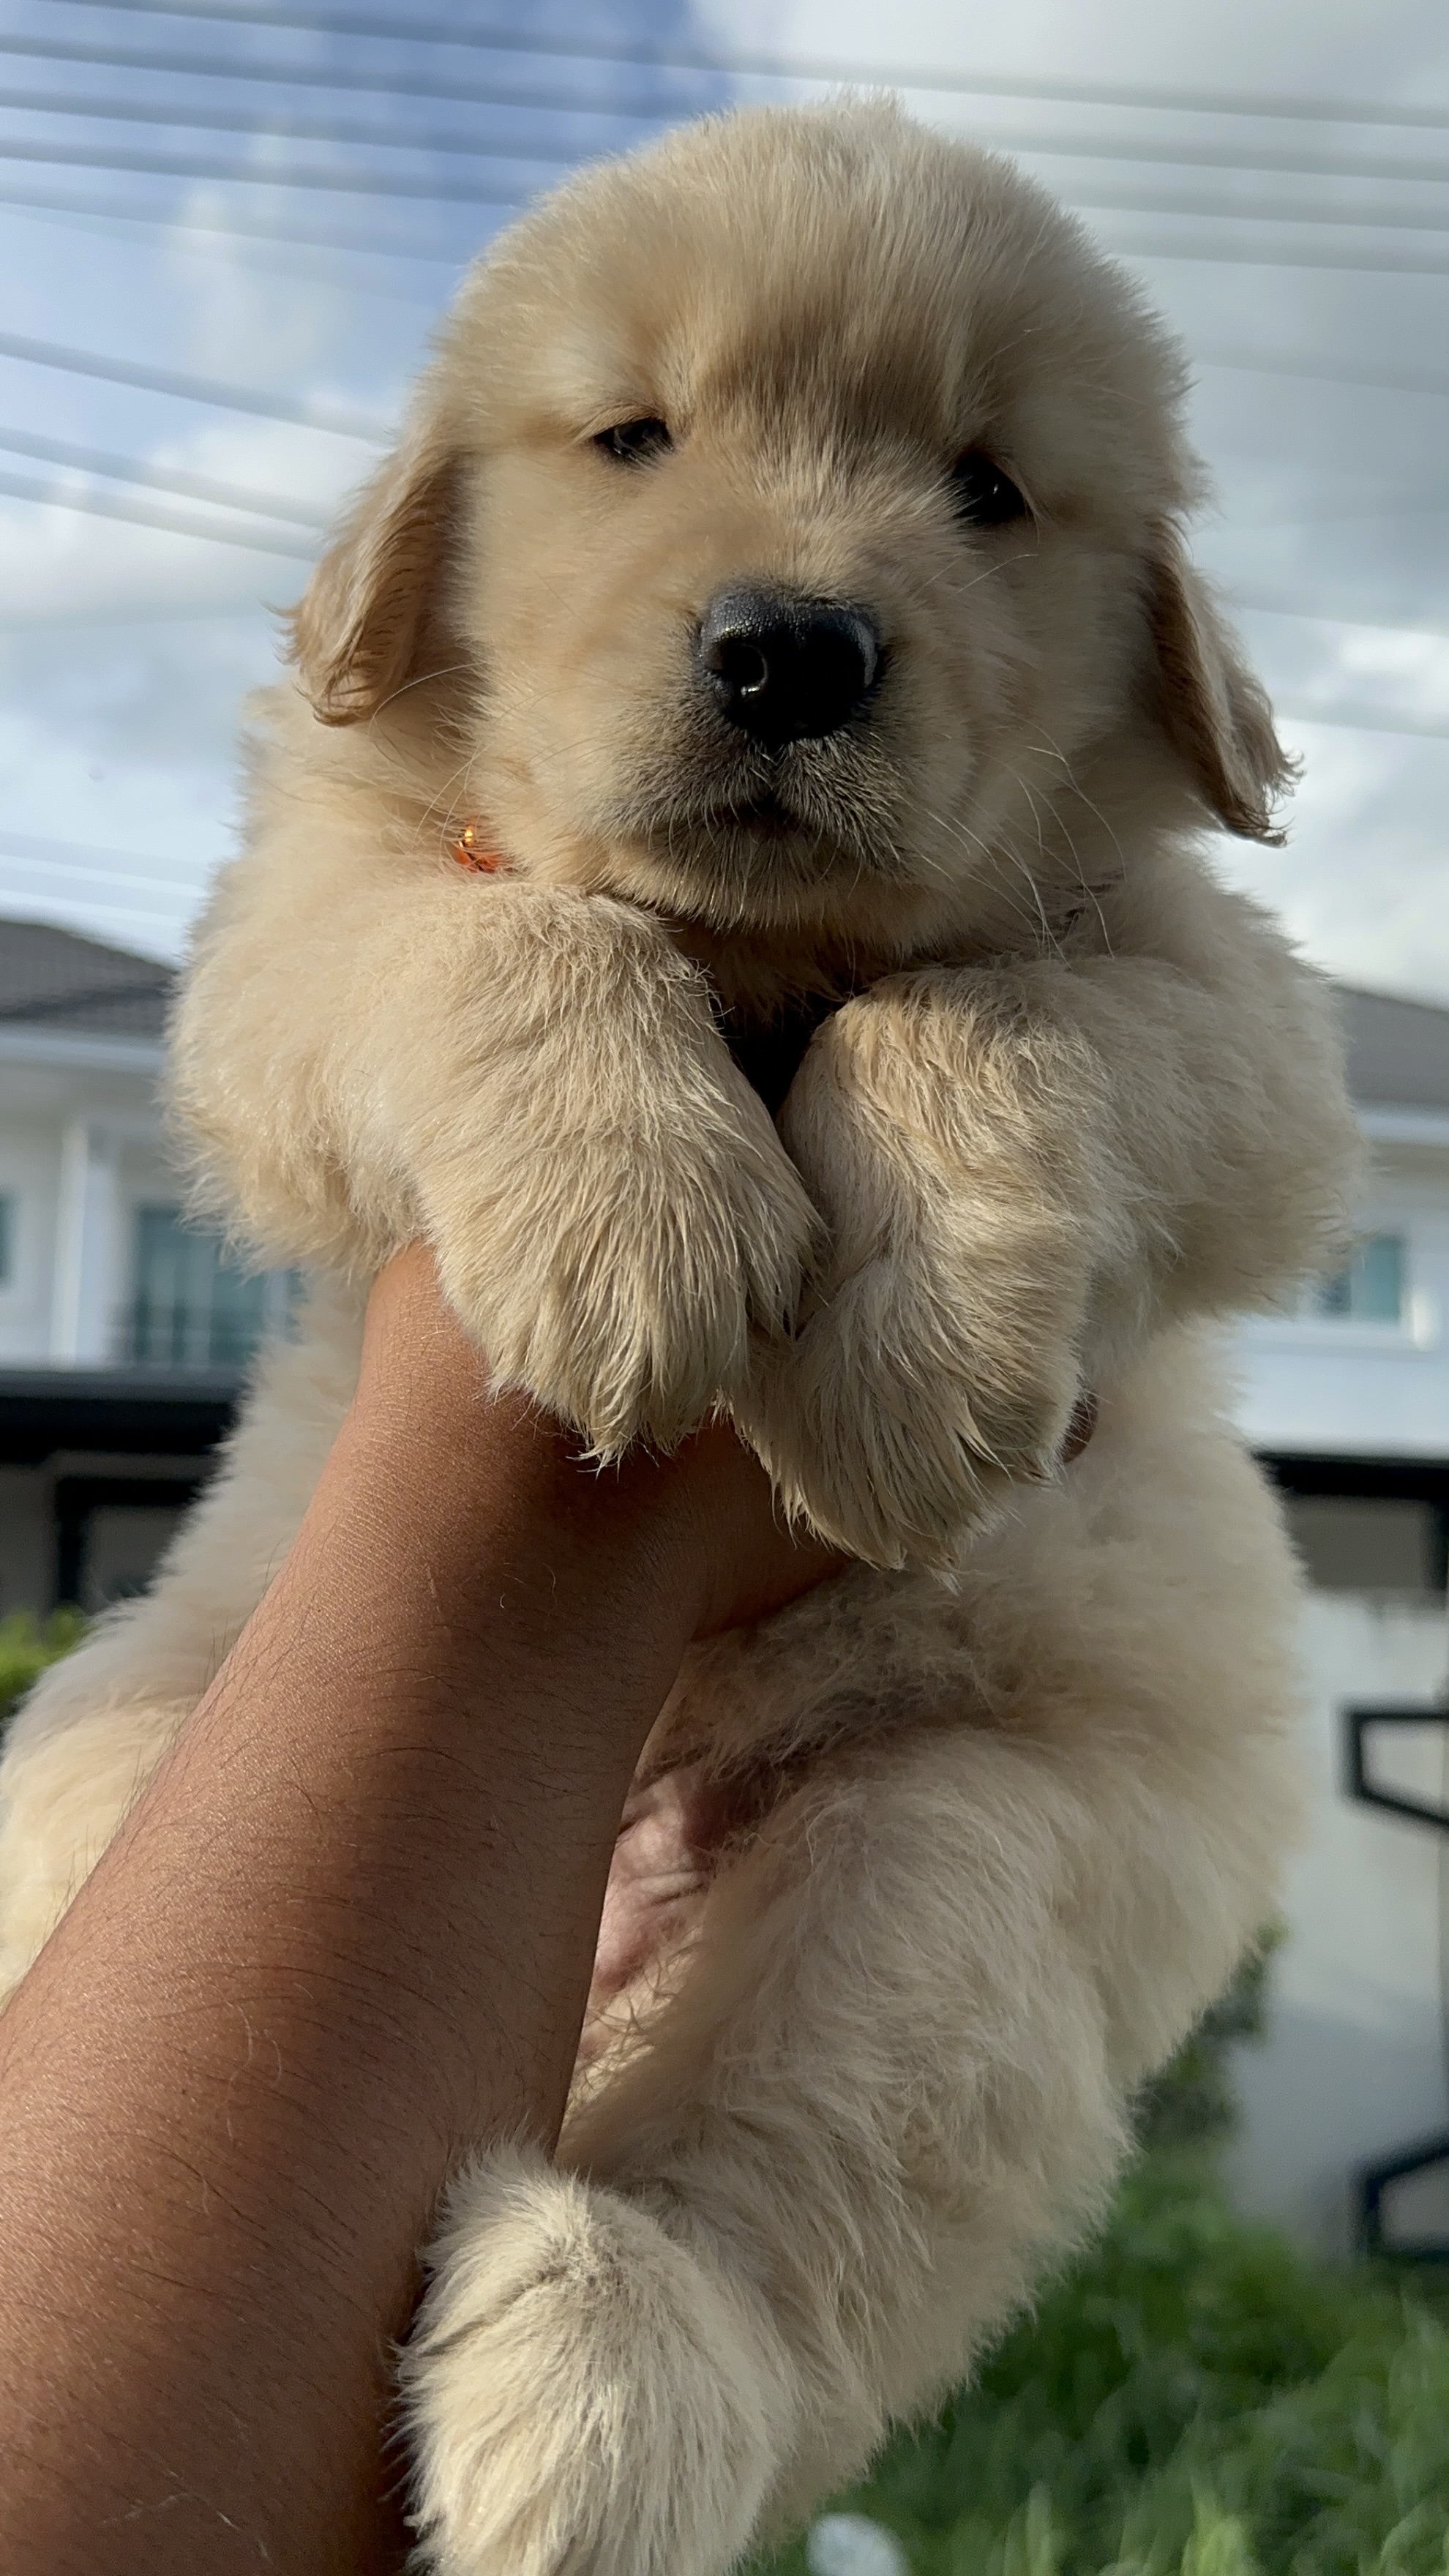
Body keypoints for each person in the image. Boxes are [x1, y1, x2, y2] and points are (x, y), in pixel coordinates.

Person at [0, 1244, 842, 2574]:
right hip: (399, 1552)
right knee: (98, 1756)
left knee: (984, 1836)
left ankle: (722, 2275)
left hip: (897, 1709)